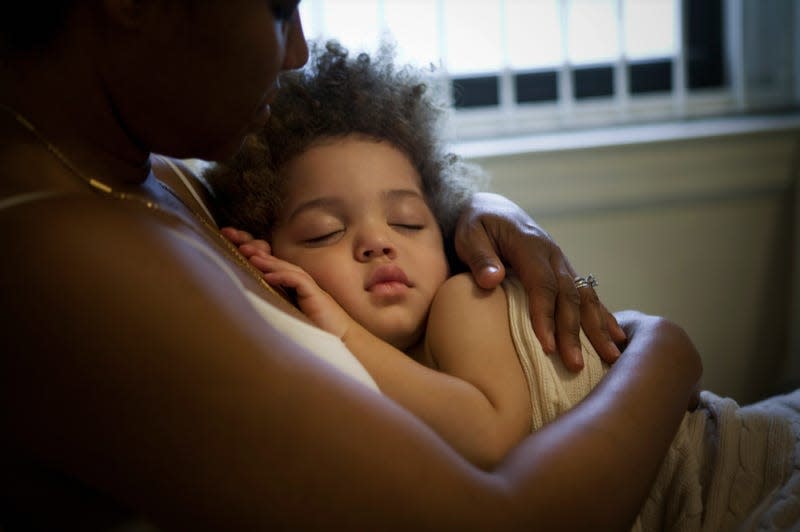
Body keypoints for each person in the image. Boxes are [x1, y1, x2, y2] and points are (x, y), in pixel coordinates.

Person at [1, 2, 702, 530]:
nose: (298, 52)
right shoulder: (62, 263)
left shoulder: (152, 174)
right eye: (277, 8)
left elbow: (329, 211)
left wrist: (474, 210)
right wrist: (665, 351)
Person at [207, 41, 800, 531]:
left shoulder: (463, 303)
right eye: (325, 232)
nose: (377, 242)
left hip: (733, 472)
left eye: (408, 222)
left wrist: (337, 330)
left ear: (441, 234)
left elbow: (488, 436)